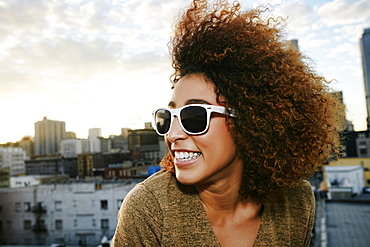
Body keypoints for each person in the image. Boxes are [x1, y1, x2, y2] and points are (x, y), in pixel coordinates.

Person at [112, 0, 344, 246]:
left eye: (194, 117)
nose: (173, 134)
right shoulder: (148, 210)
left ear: (250, 120)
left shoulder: (297, 202)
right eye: (167, 118)